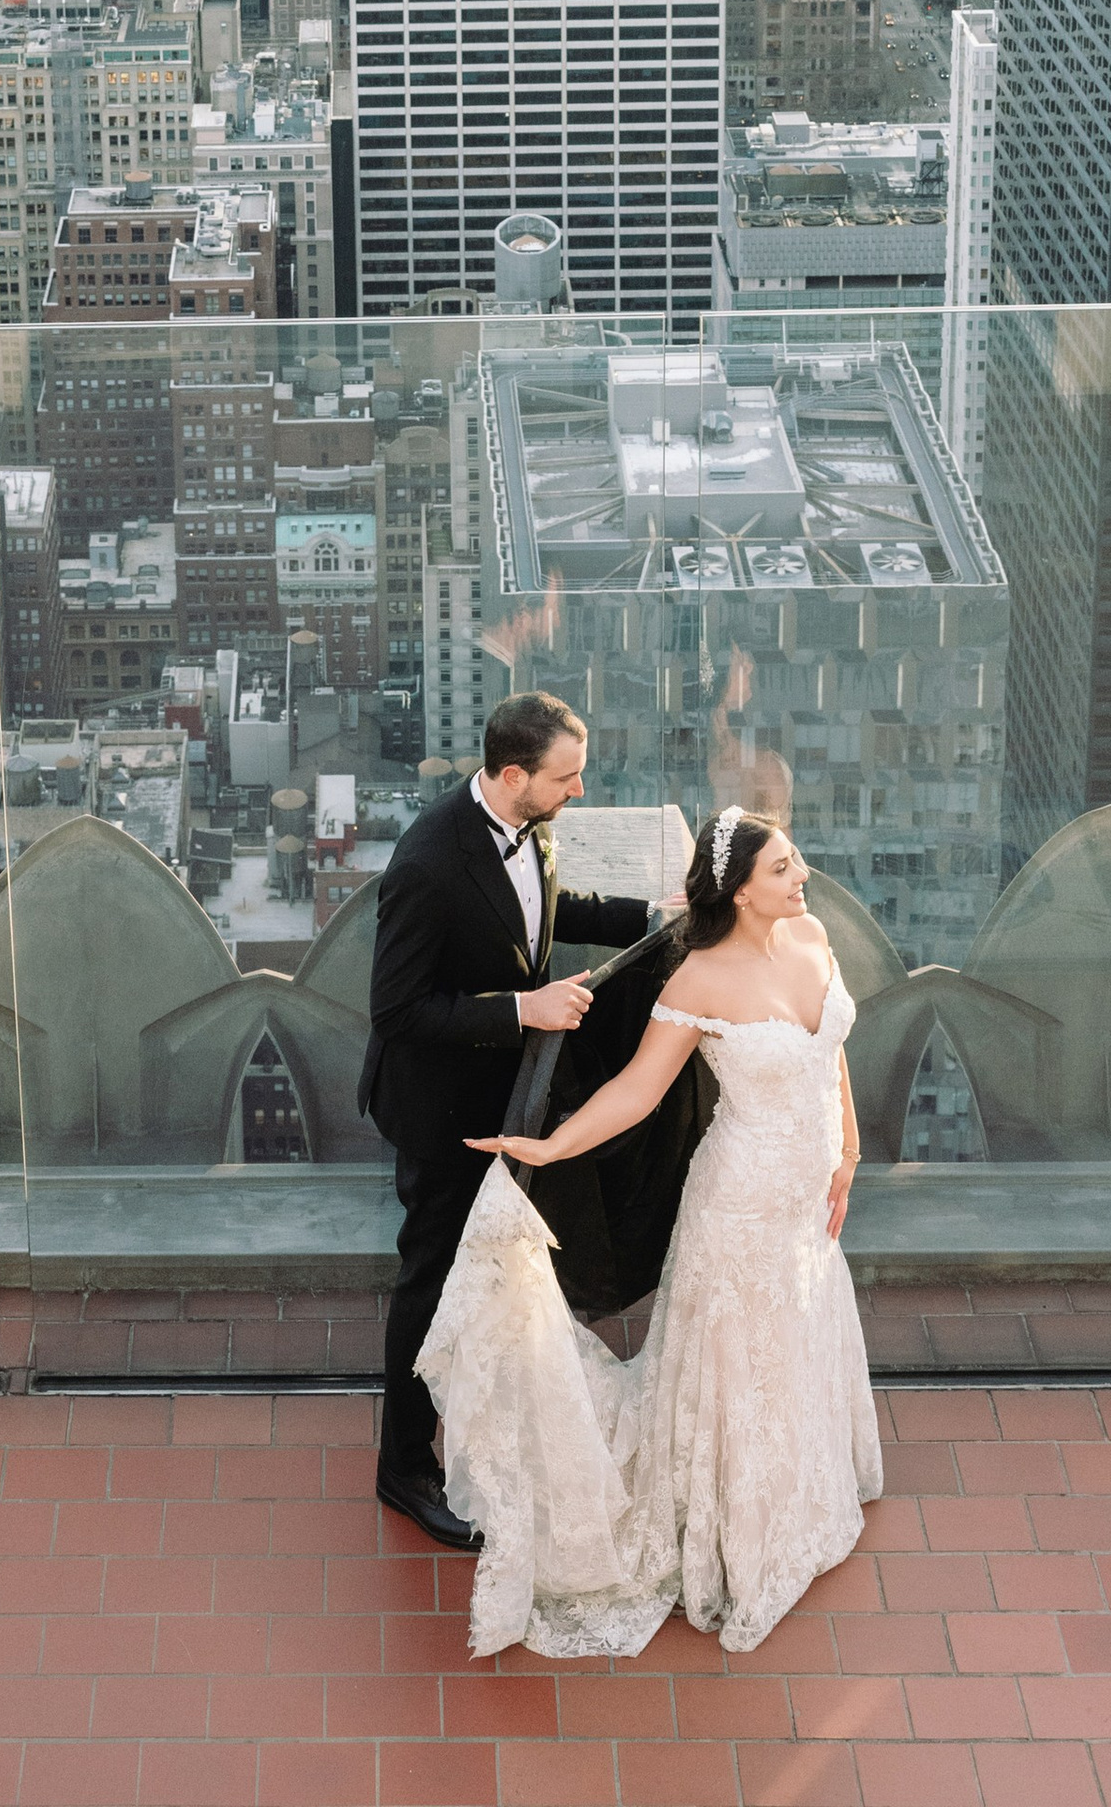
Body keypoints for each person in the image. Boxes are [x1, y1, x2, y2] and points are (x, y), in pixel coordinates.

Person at [418, 802, 882, 1661]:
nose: (801, 875)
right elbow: (635, 1091)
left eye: (795, 860)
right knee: (742, 1356)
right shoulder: (698, 979)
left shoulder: (814, 933)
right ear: (740, 890)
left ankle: (796, 1481)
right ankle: (733, 1529)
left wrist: (849, 1148)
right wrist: (549, 1144)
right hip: (740, 1202)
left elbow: (832, 1049)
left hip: (805, 1197)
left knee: (795, 1337)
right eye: (781, 867)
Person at [360, 690, 654, 1549]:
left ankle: (495, 1416)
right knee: (430, 1279)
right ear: (515, 773)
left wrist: (653, 916)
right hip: (441, 1110)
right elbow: (396, 1011)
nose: (579, 790)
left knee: (492, 1269)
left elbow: (544, 909)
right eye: (567, 777)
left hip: (505, 1097)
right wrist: (521, 1010)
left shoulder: (530, 817)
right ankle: (403, 1467)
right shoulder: (425, 863)